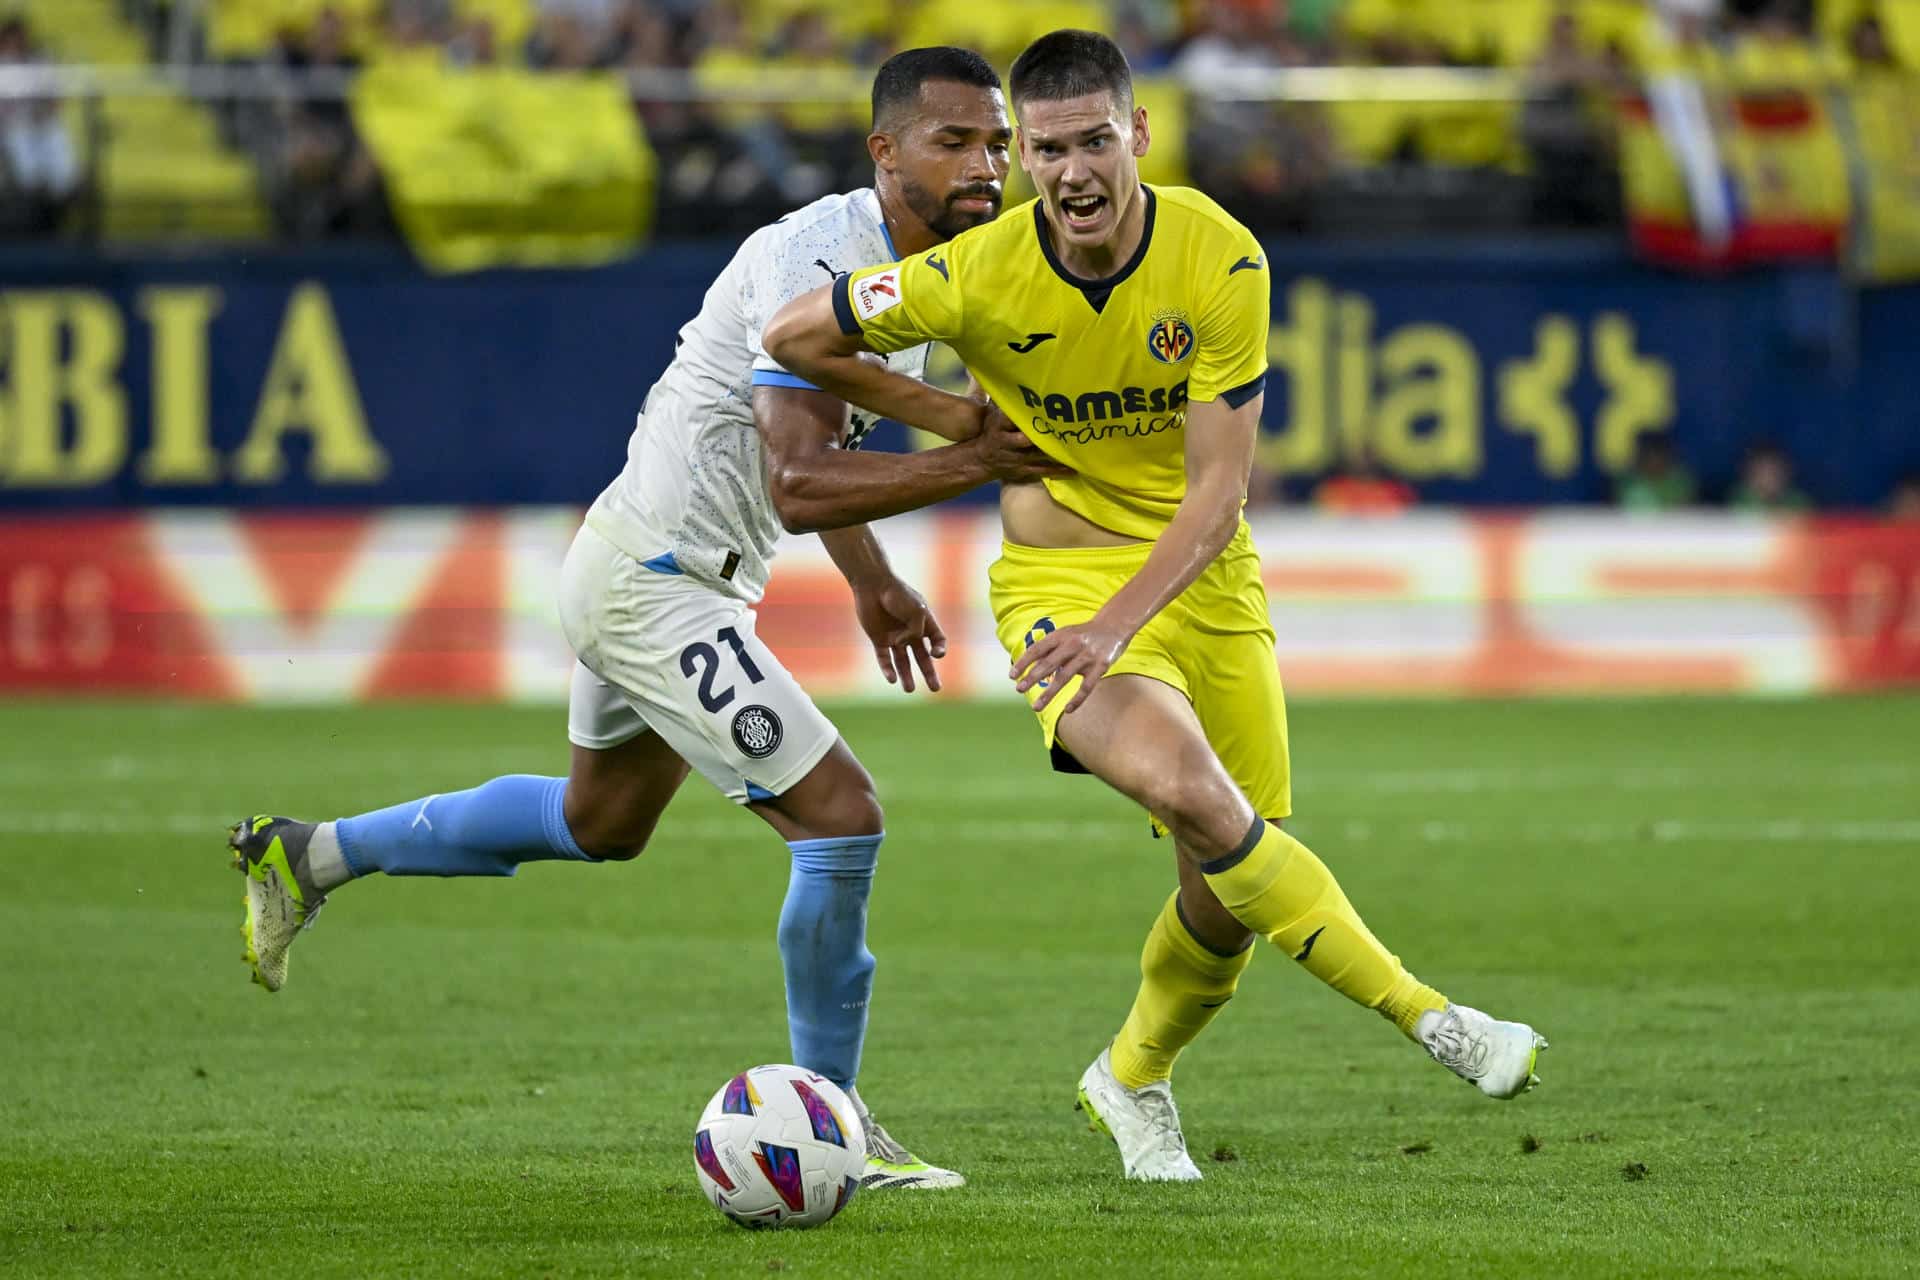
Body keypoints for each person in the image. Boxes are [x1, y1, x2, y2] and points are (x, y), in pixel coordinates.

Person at [230, 46, 1058, 1191]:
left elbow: (818, 459)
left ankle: (310, 853)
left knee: (600, 820)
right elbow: (797, 483)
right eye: (955, 140)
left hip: (655, 566)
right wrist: (973, 455)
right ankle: (835, 1123)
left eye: (999, 143)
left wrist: (871, 578)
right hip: (656, 578)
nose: (987, 164)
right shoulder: (819, 257)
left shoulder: (933, 270)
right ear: (886, 151)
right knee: (841, 817)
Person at [765, 28, 1546, 1183]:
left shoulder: (1221, 258)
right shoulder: (968, 275)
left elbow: (1219, 495)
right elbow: (791, 334)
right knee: (1195, 792)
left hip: (1198, 578)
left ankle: (1129, 1078)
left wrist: (1121, 621)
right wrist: (950, 425)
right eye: (1043, 150)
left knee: (1226, 890)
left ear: (1139, 135)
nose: (1070, 172)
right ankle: (1433, 1016)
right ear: (1023, 159)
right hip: (1056, 588)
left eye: (1092, 142)